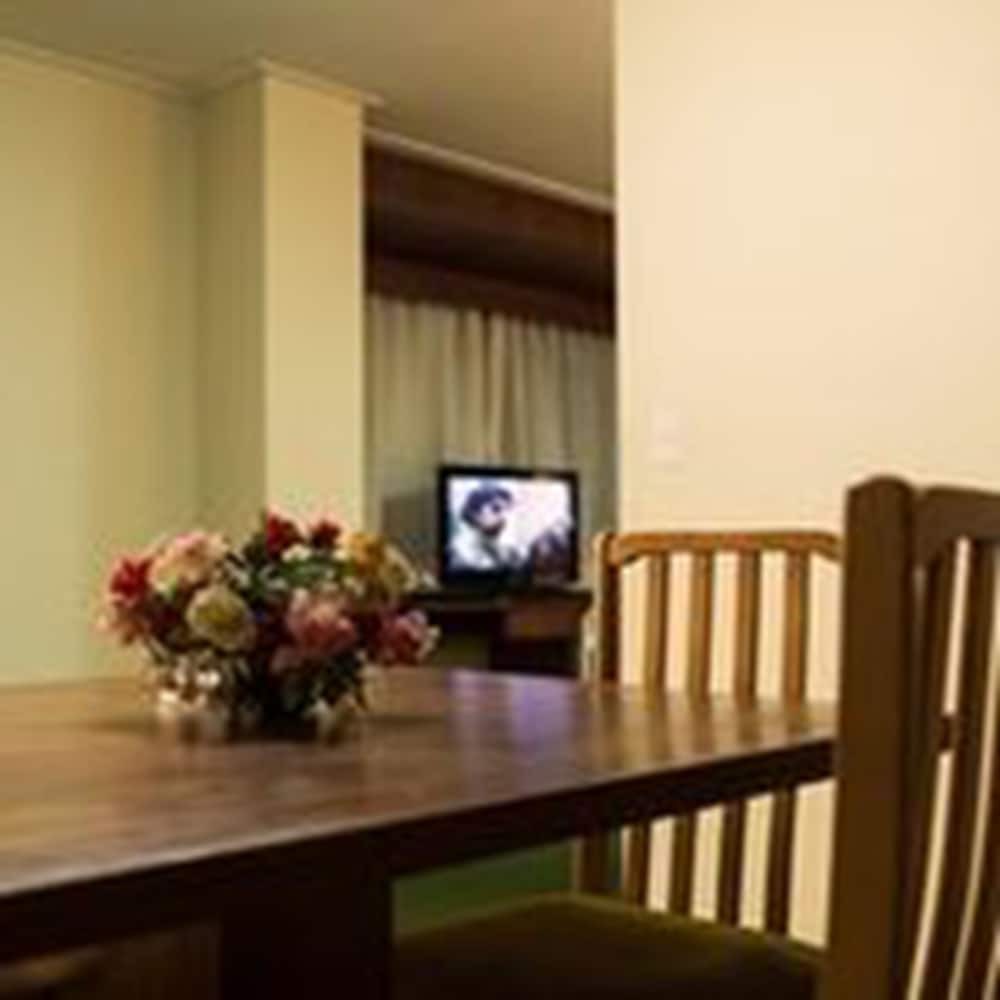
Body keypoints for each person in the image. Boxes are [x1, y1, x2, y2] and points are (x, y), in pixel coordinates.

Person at [449, 483, 524, 572]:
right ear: (474, 513)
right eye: (496, 509)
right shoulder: (459, 551)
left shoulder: (509, 549)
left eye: (507, 509)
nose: (504, 516)